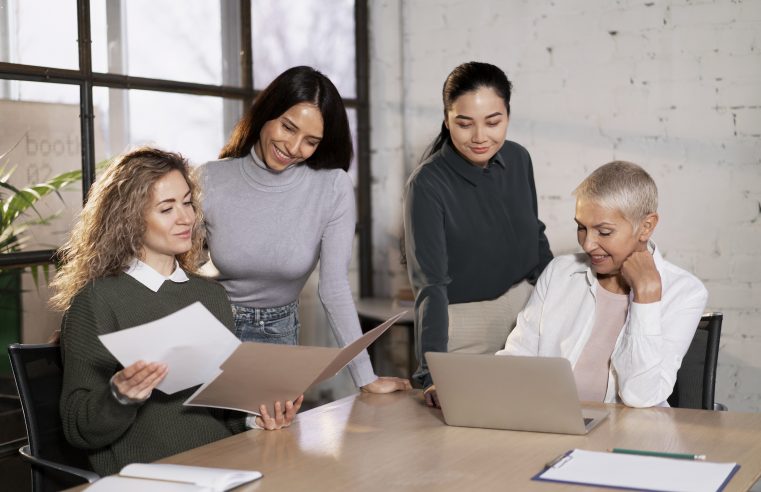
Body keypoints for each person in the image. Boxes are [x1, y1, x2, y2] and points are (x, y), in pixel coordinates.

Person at [50, 148, 302, 476]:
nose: (186, 218)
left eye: (187, 202)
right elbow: (78, 429)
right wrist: (119, 396)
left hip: (226, 464)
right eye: (167, 208)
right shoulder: (97, 301)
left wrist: (257, 417)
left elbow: (223, 409)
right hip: (151, 475)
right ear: (129, 219)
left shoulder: (211, 295)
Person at [199, 66, 410, 394]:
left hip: (277, 337)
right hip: (211, 330)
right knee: (205, 443)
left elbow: (334, 288)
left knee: (270, 442)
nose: (294, 147)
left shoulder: (332, 187)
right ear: (267, 113)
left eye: (311, 141)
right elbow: (176, 271)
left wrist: (365, 378)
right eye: (287, 127)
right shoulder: (209, 178)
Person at [497, 161, 708, 408]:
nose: (587, 245)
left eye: (604, 232)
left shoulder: (685, 292)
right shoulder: (560, 272)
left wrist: (645, 299)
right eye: (581, 228)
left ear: (646, 226)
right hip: (551, 422)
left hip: (631, 433)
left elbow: (641, 397)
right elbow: (516, 360)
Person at [403, 61, 552, 407]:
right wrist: (431, 373)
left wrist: (562, 303)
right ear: (446, 119)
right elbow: (430, 286)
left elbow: (535, 238)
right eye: (464, 123)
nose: (480, 137)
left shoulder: (518, 159)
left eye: (493, 122)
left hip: (527, 318)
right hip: (465, 329)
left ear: (508, 117)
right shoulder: (427, 184)